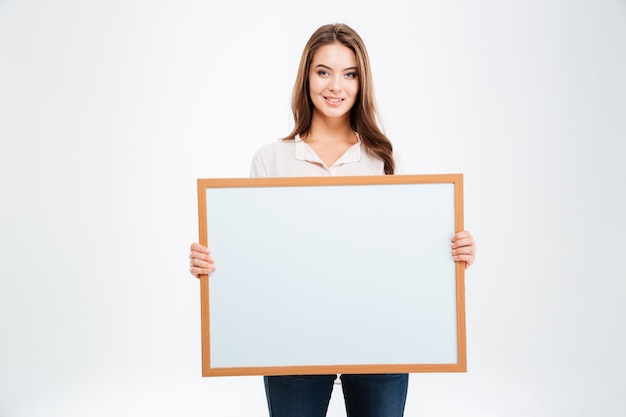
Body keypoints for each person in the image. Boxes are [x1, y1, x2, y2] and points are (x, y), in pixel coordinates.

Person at [189, 23, 476, 417]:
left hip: (380, 338)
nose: (335, 86)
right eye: (323, 71)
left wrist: (452, 250)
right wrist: (213, 263)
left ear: (362, 83)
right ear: (306, 77)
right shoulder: (271, 160)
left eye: (350, 74)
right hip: (292, 343)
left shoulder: (384, 160)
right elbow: (254, 255)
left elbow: (406, 250)